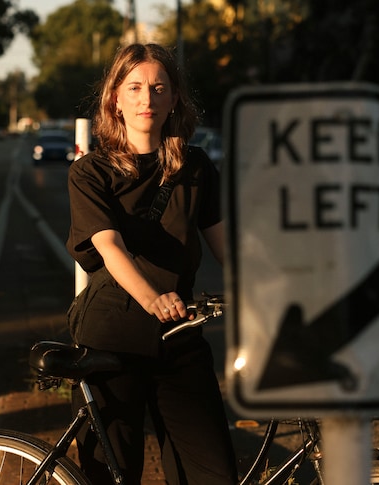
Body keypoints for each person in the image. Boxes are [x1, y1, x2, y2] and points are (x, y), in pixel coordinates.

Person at [66, 43, 238, 485]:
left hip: (177, 332)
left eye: (159, 87)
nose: (147, 99)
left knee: (214, 472)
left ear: (174, 97)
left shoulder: (196, 167)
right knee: (114, 474)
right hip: (113, 336)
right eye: (136, 87)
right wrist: (152, 297)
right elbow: (110, 247)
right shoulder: (91, 172)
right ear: (115, 99)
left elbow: (227, 247)